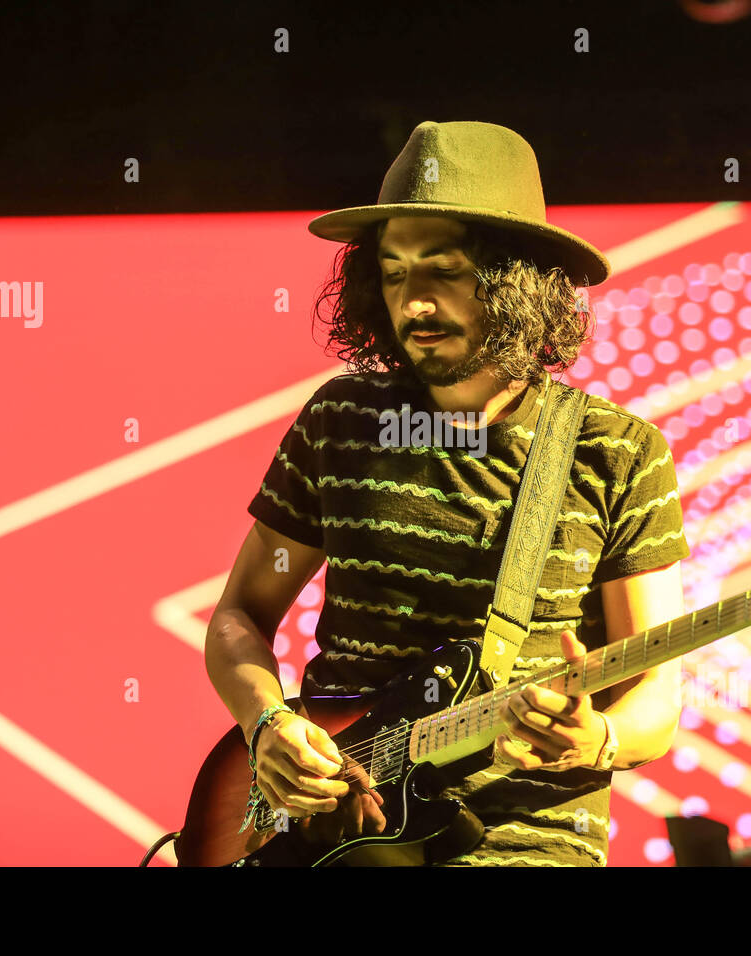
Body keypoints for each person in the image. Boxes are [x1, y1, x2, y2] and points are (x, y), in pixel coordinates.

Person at [204, 120, 690, 866]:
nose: (416, 303)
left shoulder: (617, 451)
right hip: (336, 829)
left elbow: (656, 693)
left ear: (516, 277)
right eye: (395, 273)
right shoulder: (344, 423)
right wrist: (268, 723)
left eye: (445, 269)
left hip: (527, 838)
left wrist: (604, 738)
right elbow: (239, 614)